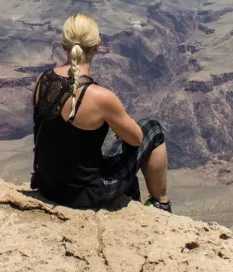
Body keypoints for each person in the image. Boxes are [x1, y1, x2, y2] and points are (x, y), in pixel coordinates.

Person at [31, 12, 172, 212]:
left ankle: (135, 199)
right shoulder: (100, 97)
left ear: (63, 45)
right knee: (153, 129)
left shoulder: (42, 81)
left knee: (109, 150)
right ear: (97, 45)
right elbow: (137, 140)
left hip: (47, 187)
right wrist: (123, 122)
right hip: (83, 195)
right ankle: (161, 204)